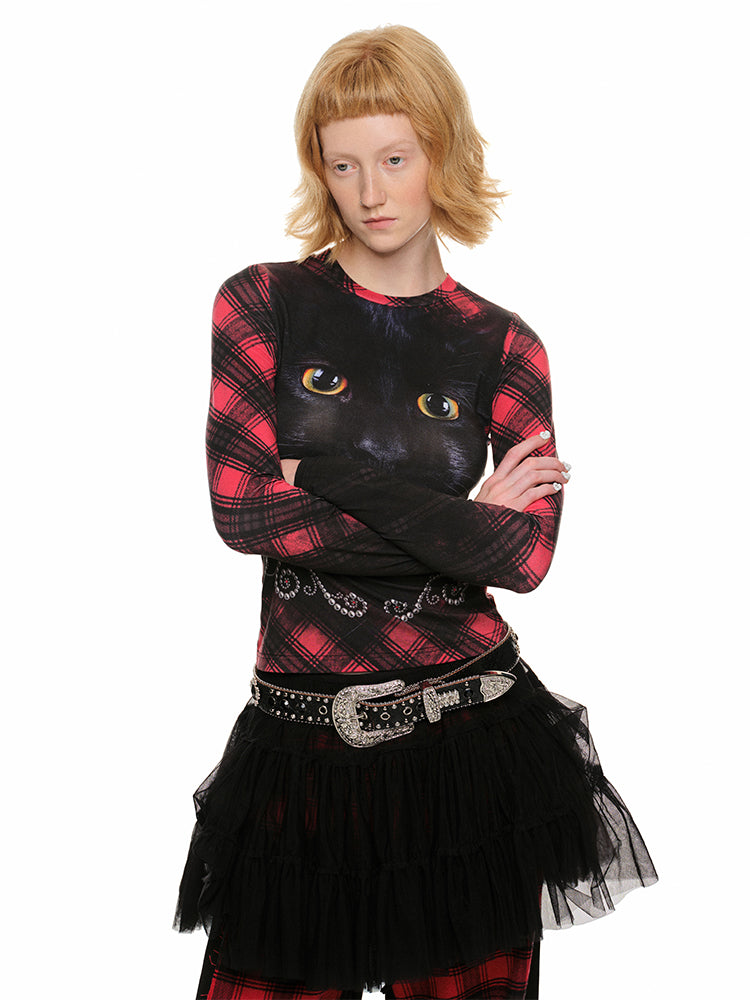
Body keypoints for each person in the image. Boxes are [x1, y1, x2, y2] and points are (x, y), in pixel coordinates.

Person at [174, 25, 658, 1000]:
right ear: (319, 167)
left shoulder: (503, 345)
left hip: (468, 743)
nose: (370, 191)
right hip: (299, 744)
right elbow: (243, 511)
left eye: (395, 158)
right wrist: (459, 522)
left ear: (442, 151)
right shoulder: (262, 304)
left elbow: (524, 558)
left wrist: (317, 471)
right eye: (343, 163)